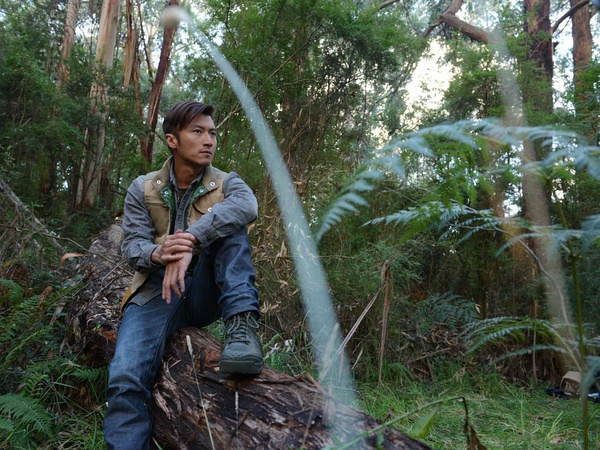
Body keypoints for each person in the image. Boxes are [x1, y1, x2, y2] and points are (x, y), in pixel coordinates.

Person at [103, 101, 263, 449]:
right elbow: (132, 247)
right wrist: (160, 252)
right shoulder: (143, 188)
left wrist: (192, 237)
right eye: (198, 132)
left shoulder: (226, 183)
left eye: (213, 133)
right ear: (172, 140)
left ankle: (242, 328)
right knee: (125, 377)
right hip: (156, 292)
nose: (209, 141)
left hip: (206, 291)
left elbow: (248, 207)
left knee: (228, 219)